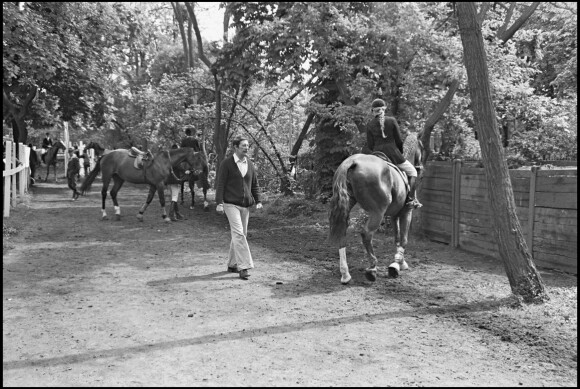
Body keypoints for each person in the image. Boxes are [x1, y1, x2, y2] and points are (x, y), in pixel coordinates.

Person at [215, 136, 263, 280]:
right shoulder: (227, 164)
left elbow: (254, 184)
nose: (246, 148)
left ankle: (232, 264)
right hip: (231, 204)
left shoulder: (250, 164)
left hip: (245, 206)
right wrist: (219, 203)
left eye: (248, 145)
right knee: (239, 234)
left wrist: (258, 200)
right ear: (235, 147)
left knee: (241, 235)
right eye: (243, 145)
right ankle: (244, 267)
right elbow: (221, 184)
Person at [365, 98, 422, 208]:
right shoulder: (391, 121)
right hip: (393, 154)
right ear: (384, 109)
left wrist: (376, 151)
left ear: (373, 111)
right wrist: (400, 152)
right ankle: (411, 199)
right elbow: (399, 140)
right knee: (413, 172)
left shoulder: (370, 125)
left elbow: (370, 145)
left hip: (377, 155)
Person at [165, 144, 190, 221]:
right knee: (175, 197)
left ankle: (178, 213)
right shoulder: (176, 158)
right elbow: (179, 167)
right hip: (174, 179)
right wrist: (185, 171)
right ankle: (171, 215)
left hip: (168, 180)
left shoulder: (168, 157)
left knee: (173, 197)